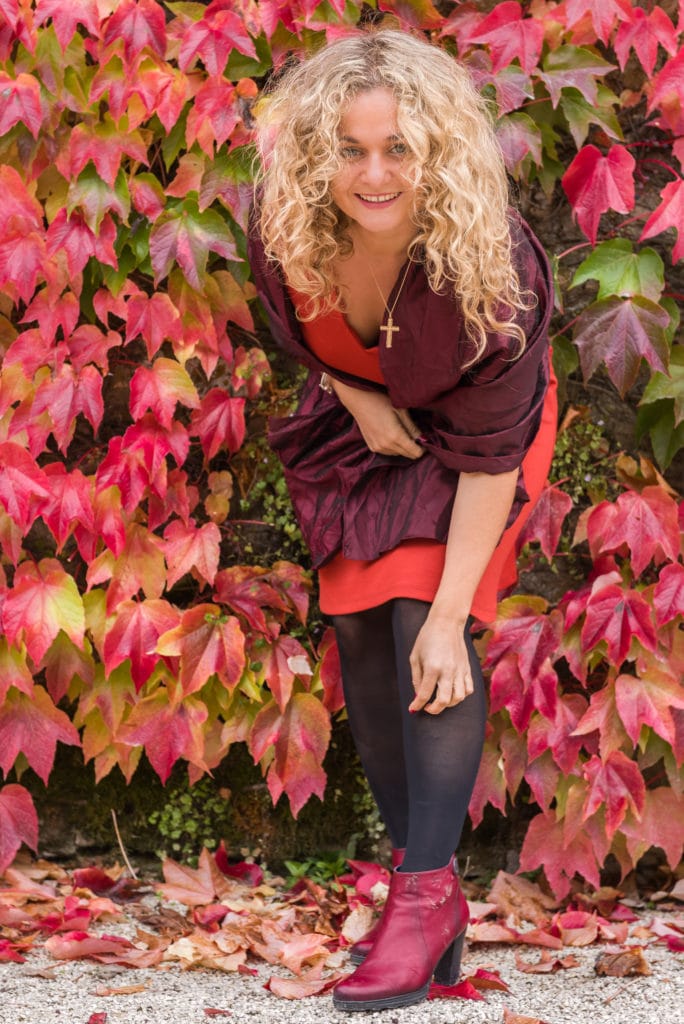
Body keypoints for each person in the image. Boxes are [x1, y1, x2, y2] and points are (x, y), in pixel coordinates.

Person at [247, 28, 557, 1013]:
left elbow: (492, 449)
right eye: (349, 148)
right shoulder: (285, 223)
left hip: (482, 448)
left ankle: (424, 898)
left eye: (397, 149)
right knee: (357, 629)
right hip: (366, 424)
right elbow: (296, 326)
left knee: (421, 622)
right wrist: (354, 392)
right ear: (314, 152)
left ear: (437, 149)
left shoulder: (491, 265)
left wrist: (451, 613)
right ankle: (423, 892)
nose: (373, 173)